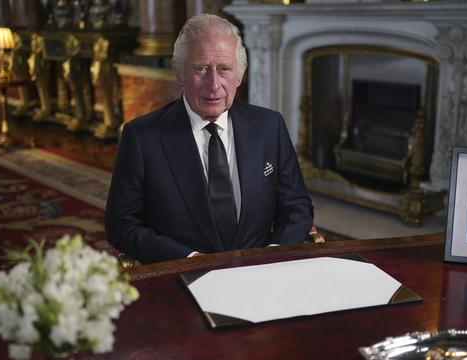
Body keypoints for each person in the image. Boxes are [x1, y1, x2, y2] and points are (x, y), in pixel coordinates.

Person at [105, 14, 314, 264]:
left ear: (240, 73)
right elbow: (122, 225)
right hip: (182, 275)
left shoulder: (270, 126)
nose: (214, 85)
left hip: (261, 272)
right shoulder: (142, 137)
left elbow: (296, 207)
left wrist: (272, 254)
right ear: (179, 72)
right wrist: (189, 260)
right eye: (201, 68)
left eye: (224, 69)